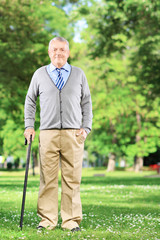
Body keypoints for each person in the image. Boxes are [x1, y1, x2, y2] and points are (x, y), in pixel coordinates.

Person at [24, 36, 92, 232]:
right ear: (49, 52)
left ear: (68, 52)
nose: (58, 53)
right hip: (47, 133)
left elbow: (86, 102)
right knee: (48, 178)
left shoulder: (79, 74)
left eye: (62, 49)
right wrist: (29, 126)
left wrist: (86, 127)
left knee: (72, 179)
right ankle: (47, 220)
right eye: (54, 49)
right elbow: (30, 101)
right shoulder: (39, 74)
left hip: (74, 134)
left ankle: (70, 221)